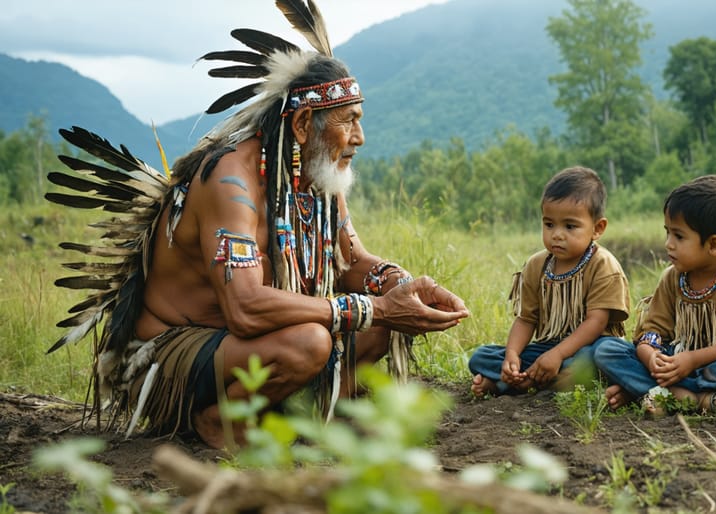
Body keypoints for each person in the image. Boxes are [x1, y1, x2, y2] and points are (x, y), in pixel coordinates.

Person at [47, 1, 468, 449]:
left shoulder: (318, 174)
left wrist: (401, 286)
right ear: (303, 124)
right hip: (178, 354)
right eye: (349, 121)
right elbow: (245, 309)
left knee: (380, 321)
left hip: (250, 347)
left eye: (359, 121)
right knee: (314, 340)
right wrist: (373, 308)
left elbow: (353, 261)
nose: (359, 137)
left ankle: (317, 417)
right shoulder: (231, 181)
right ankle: (219, 421)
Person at [594, 175, 716, 418]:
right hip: (676, 363)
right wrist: (651, 357)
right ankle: (698, 400)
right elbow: (652, 332)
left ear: (714, 245)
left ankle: (653, 391)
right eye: (667, 233)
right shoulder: (672, 278)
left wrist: (692, 360)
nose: (668, 244)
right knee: (607, 350)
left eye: (679, 236)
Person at [468, 167, 631, 397]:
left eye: (570, 226)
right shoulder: (537, 265)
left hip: (590, 347)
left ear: (597, 228)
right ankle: (530, 379)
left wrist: (558, 355)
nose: (557, 234)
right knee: (482, 357)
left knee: (600, 356)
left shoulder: (603, 265)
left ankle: (516, 384)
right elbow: (526, 319)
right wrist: (512, 356)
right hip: (548, 348)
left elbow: (596, 323)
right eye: (549, 224)